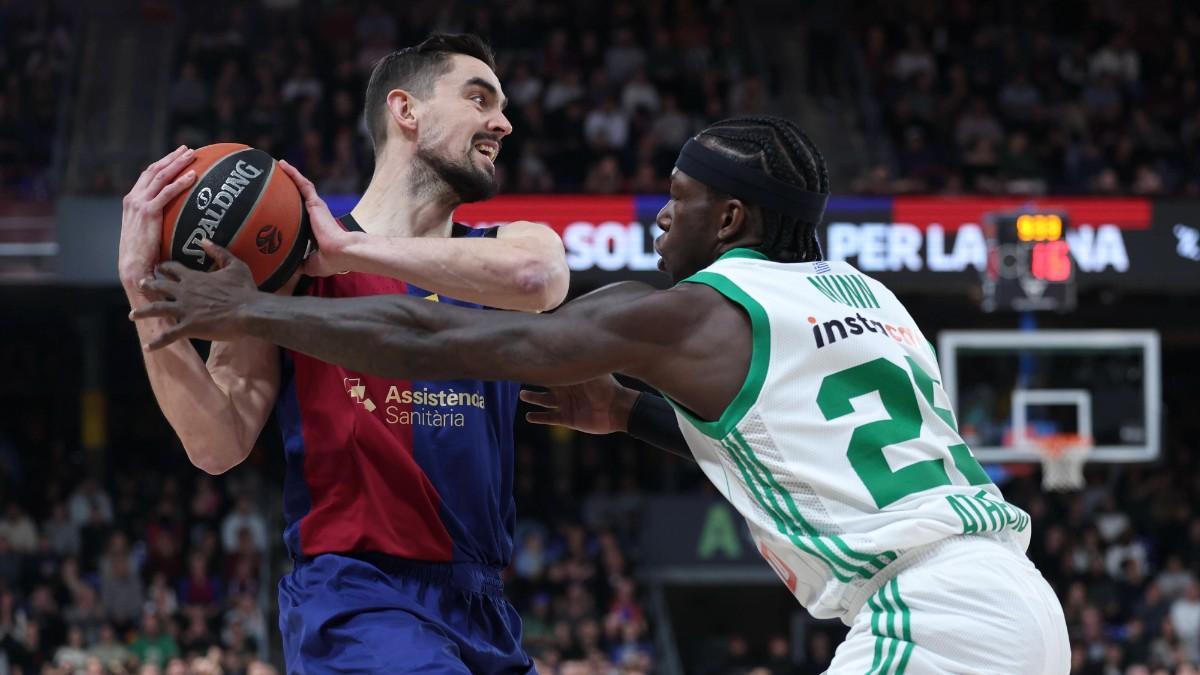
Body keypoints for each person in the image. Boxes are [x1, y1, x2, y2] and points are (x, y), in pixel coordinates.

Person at [132, 115, 1070, 673]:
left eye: (682, 199)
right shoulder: (871, 297)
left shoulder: (697, 312)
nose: (664, 215)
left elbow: (436, 333)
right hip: (1019, 600)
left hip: (928, 617)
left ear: (732, 218)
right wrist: (625, 412)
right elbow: (787, 433)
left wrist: (251, 308)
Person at [118, 33, 568, 673]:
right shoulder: (285, 270)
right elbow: (216, 443)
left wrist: (348, 251)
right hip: (357, 598)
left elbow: (538, 280)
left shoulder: (501, 248)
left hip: (485, 603)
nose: (503, 121)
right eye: (479, 98)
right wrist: (140, 289)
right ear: (405, 111)